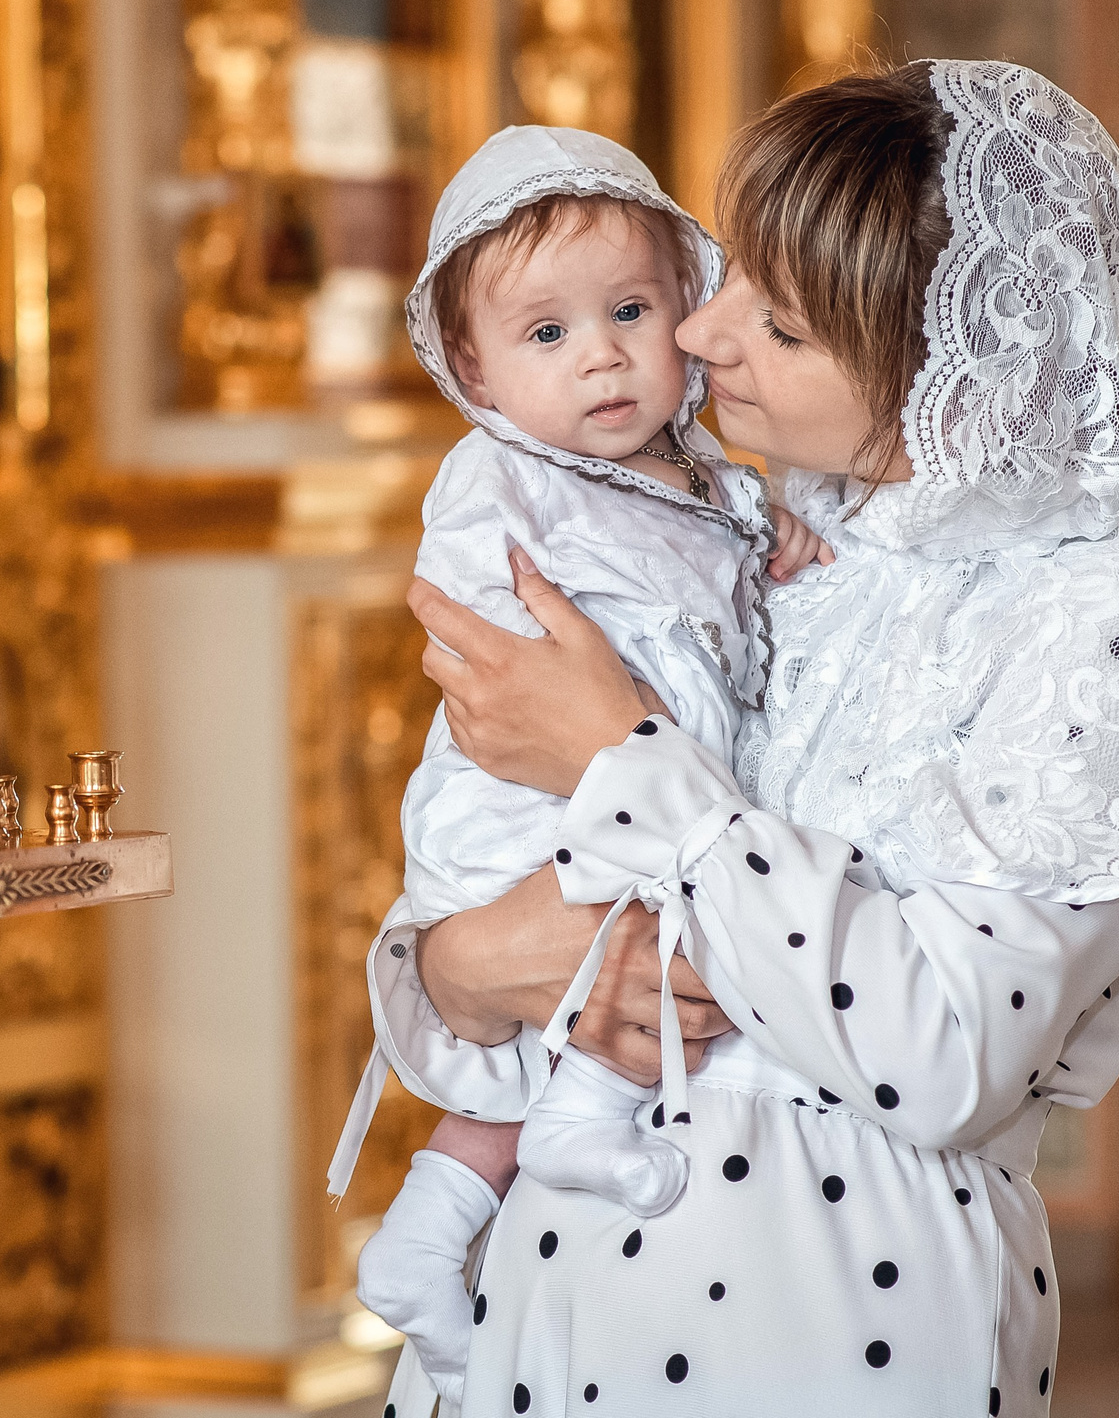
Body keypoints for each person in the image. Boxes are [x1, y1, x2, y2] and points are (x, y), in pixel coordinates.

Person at [372, 60, 1119, 1416]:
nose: (699, 332)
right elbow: (491, 946)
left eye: (781, 324)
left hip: (827, 1318)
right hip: (535, 1313)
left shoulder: (1100, 610)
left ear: (943, 372)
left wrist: (617, 753)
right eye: (731, 273)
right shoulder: (752, 539)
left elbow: (943, 1058)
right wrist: (459, 961)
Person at [330, 126, 827, 1406]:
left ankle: (428, 1229)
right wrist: (621, 691)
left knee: (657, 946)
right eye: (546, 334)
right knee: (626, 941)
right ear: (475, 372)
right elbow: (486, 627)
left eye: (629, 312)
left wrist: (778, 543)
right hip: (525, 793)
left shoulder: (705, 477)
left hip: (630, 779)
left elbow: (735, 583)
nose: (600, 354)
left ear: (686, 305)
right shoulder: (498, 476)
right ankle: (573, 1129)